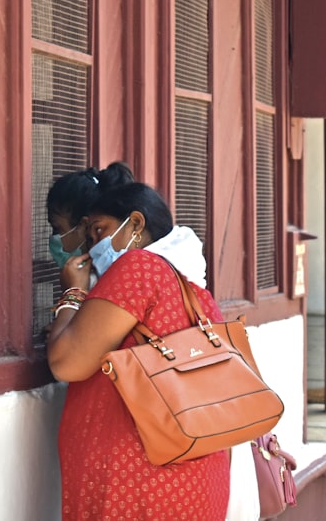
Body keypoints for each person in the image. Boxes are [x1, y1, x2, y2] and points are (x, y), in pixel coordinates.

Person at [47, 182, 230, 520]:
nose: (93, 246)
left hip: (138, 482)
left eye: (99, 231)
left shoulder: (138, 268)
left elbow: (65, 362)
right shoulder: (193, 287)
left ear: (135, 224)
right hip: (192, 477)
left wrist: (72, 292)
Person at [45, 161, 134, 271]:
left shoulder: (116, 272)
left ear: (84, 226)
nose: (54, 238)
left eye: (57, 229)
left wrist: (75, 288)